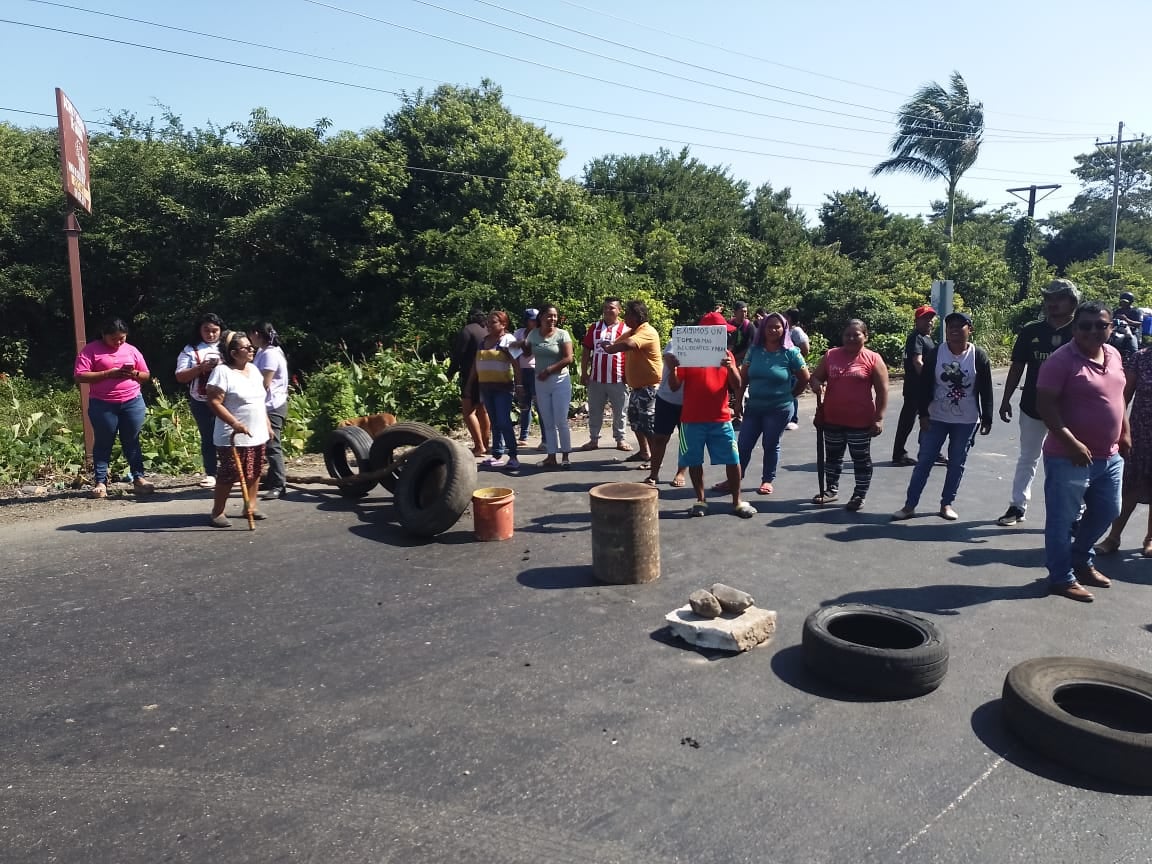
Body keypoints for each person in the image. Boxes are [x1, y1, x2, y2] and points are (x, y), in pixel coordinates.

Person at [1036, 301, 1129, 602]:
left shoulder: (1114, 354)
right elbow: (1045, 406)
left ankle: (1080, 558)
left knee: (1108, 510)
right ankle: (1061, 577)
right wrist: (1070, 442)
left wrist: (1125, 432)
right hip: (1068, 456)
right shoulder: (1060, 361)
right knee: (1062, 520)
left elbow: (1118, 398)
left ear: (1110, 327)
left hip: (1109, 455)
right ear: (1075, 329)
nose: (1092, 331)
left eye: (1100, 325)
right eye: (1085, 325)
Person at [892, 312, 993, 521]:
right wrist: (923, 414)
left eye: (960, 326)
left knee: (956, 463)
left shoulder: (978, 355)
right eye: (950, 327)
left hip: (966, 420)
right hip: (936, 416)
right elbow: (925, 385)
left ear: (970, 330)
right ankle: (910, 505)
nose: (954, 330)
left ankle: (946, 504)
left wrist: (987, 417)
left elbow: (985, 388)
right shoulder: (937, 353)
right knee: (924, 461)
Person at [996, 278, 1079, 526]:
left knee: (1072, 459)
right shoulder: (1031, 330)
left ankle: (1076, 513)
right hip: (1033, 406)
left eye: (1059, 298)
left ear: (1073, 302)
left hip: (1070, 409)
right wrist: (1006, 399)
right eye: (1048, 299)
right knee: (1028, 457)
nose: (1052, 303)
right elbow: (1017, 366)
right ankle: (1017, 506)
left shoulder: (1082, 330)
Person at [666, 312, 757, 519]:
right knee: (694, 460)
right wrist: (673, 369)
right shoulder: (687, 355)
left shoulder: (727, 354)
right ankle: (700, 500)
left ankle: (737, 501)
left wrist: (731, 366)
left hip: (721, 418)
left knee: (733, 460)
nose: (725, 334)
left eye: (724, 331)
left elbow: (737, 385)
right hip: (690, 419)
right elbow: (673, 387)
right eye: (720, 330)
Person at [808, 319, 889, 511]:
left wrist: (879, 418)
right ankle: (830, 491)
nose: (851, 338)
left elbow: (883, 390)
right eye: (847, 335)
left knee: (860, 459)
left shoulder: (873, 358)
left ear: (865, 337)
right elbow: (816, 376)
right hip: (832, 419)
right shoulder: (831, 355)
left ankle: (859, 495)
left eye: (856, 334)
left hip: (860, 421)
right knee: (833, 457)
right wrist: (816, 384)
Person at [73, 317, 155, 499]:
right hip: (103, 404)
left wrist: (132, 373)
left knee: (132, 440)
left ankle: (139, 478)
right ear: (104, 335)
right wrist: (108, 374)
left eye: (122, 338)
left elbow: (146, 375)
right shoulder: (91, 350)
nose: (118, 342)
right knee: (103, 441)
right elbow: (80, 376)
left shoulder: (131, 350)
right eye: (114, 339)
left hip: (132, 401)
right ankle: (101, 482)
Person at [733, 311, 809, 496]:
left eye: (777, 326)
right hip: (754, 407)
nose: (773, 330)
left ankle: (767, 480)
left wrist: (791, 396)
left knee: (770, 444)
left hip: (779, 408)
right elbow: (743, 379)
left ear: (784, 329)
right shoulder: (754, 350)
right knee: (743, 444)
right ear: (763, 329)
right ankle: (735, 478)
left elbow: (804, 378)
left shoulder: (791, 352)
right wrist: (738, 402)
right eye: (769, 326)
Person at [205, 332, 272, 527]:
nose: (252, 350)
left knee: (255, 470)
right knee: (230, 473)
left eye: (252, 346)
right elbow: (214, 402)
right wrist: (234, 423)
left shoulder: (253, 369)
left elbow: (259, 400)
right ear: (234, 353)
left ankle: (250, 506)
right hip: (232, 435)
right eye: (247, 347)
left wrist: (266, 423)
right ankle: (218, 512)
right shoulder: (222, 372)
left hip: (256, 432)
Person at [1095, 341, 1152, 557]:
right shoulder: (1141, 358)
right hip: (1141, 433)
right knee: (1131, 487)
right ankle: (1113, 537)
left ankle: (1150, 539)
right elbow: (1122, 398)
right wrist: (1119, 431)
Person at [603, 299, 663, 464]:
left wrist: (609, 348)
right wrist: (610, 344)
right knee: (636, 422)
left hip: (650, 388)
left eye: (628, 314)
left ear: (636, 316)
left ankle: (655, 461)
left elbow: (628, 345)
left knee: (648, 425)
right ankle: (645, 453)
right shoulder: (633, 331)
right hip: (637, 388)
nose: (625, 317)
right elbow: (619, 342)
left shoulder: (646, 332)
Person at [174, 313, 225, 489]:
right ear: (199, 330)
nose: (211, 334)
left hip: (227, 399)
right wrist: (200, 367)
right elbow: (180, 376)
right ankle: (211, 473)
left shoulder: (228, 345)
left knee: (229, 434)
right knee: (208, 436)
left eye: (214, 330)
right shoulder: (190, 349)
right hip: (201, 399)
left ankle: (230, 470)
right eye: (206, 330)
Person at [465, 310, 520, 471]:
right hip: (486, 387)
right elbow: (476, 365)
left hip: (503, 388)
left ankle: (513, 455)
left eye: (493, 322)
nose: (489, 325)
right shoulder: (483, 342)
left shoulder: (508, 340)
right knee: (495, 422)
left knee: (504, 421)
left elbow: (517, 365)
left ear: (503, 324)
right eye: (488, 322)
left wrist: (520, 386)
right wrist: (469, 385)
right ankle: (497, 455)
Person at [524, 303, 573, 469]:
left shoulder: (562, 334)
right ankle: (551, 456)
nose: (552, 319)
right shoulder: (533, 334)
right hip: (541, 381)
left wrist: (549, 370)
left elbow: (568, 358)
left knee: (561, 420)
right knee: (547, 421)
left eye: (555, 316)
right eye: (549, 316)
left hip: (559, 380)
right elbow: (527, 352)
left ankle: (565, 455)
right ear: (541, 317)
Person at [579, 298, 629, 451]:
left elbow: (630, 353)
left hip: (618, 377)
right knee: (595, 410)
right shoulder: (594, 328)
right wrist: (584, 372)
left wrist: (629, 374)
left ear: (619, 310)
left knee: (620, 411)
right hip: (596, 378)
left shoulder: (625, 329)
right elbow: (587, 350)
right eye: (605, 307)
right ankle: (594, 439)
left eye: (612, 308)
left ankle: (620, 439)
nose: (608, 310)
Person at [892, 305, 936, 466]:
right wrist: (929, 380)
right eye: (925, 318)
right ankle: (898, 454)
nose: (929, 322)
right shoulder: (916, 337)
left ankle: (931, 450)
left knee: (930, 418)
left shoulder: (927, 338)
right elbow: (917, 362)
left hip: (922, 387)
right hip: (916, 387)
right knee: (908, 420)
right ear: (916, 321)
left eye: (931, 319)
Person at [249, 321, 289, 501]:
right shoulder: (263, 352)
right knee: (266, 445)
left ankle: (279, 485)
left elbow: (265, 383)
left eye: (251, 335)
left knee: (273, 446)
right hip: (266, 404)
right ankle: (273, 478)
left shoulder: (270, 354)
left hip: (272, 405)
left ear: (257, 334)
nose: (250, 340)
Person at [644, 335, 687, 489]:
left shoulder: (708, 349)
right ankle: (653, 474)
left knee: (685, 440)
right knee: (660, 438)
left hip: (690, 402)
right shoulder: (676, 341)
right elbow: (669, 358)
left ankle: (681, 472)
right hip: (667, 399)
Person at [447, 308, 492, 457]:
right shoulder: (486, 330)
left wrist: (450, 373)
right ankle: (486, 444)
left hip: (470, 375)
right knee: (483, 410)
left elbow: (458, 355)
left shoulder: (467, 331)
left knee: (468, 411)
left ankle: (479, 446)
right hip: (487, 374)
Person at [513, 308, 545, 449]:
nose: (533, 322)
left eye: (535, 320)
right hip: (521, 370)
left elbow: (530, 350)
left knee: (540, 406)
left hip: (535, 371)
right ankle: (523, 436)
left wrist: (523, 345)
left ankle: (545, 439)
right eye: (530, 319)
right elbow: (514, 350)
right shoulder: (519, 333)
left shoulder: (540, 334)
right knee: (524, 405)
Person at [727, 301, 755, 428]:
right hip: (729, 357)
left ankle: (739, 412)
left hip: (744, 359)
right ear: (735, 312)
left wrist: (735, 359)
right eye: (742, 311)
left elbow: (751, 348)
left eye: (746, 311)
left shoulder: (749, 327)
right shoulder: (729, 324)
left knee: (739, 376)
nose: (745, 314)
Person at [785, 308, 810, 431]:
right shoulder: (786, 331)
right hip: (785, 369)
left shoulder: (796, 331)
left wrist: (796, 362)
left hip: (794, 369)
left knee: (792, 392)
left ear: (789, 317)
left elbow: (805, 349)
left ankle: (793, 419)